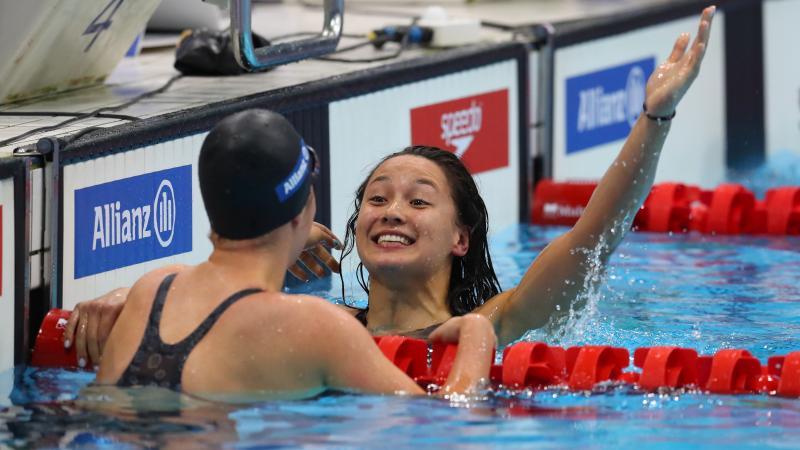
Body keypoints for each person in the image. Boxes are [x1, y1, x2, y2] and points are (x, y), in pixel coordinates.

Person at [66, 6, 715, 359]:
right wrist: (126, 299)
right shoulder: (312, 324)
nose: (390, 211)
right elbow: (205, 311)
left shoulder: (493, 323)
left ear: (462, 238)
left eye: (416, 200)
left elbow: (592, 238)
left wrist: (655, 116)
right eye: (376, 199)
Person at [93, 109, 496, 400]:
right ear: (304, 212)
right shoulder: (317, 326)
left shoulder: (150, 291)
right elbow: (444, 428)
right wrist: (477, 338)